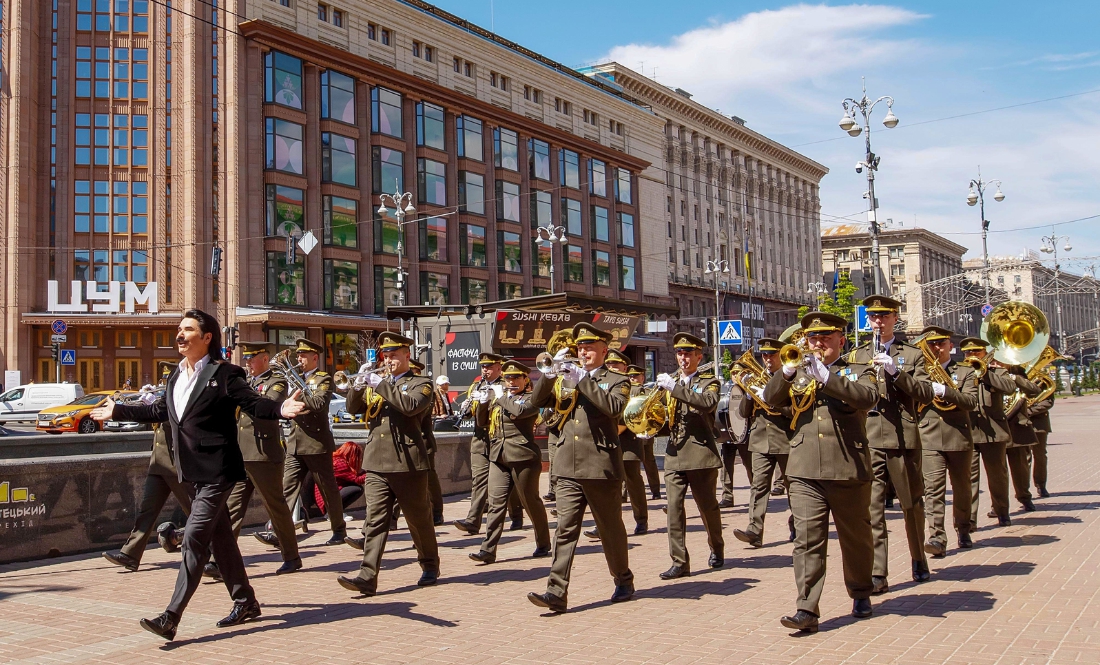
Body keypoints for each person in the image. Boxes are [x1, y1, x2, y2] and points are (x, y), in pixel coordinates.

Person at [90, 309, 303, 641]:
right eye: (179, 329)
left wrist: (280, 409)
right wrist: (118, 409)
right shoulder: (176, 376)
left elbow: (253, 403)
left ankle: (170, 617)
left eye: (187, 329)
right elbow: (159, 411)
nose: (180, 334)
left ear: (207, 338)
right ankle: (245, 602)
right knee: (222, 540)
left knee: (193, 540)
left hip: (219, 472)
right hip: (190, 473)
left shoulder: (225, 374)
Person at [765, 311, 878, 633]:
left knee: (855, 539)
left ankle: (860, 591)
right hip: (803, 467)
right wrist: (785, 373)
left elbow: (868, 398)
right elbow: (771, 401)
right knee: (807, 540)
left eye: (826, 338)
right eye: (813, 338)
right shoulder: (798, 372)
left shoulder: (857, 370)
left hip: (847, 467)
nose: (818, 343)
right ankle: (806, 608)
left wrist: (829, 379)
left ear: (840, 340)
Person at [526, 322, 635, 613]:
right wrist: (548, 376)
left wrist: (583, 380)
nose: (583, 351)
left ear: (604, 349)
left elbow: (613, 408)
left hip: (600, 465)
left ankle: (623, 578)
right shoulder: (564, 376)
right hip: (567, 466)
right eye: (580, 347)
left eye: (589, 347)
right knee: (565, 530)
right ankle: (556, 592)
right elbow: (537, 402)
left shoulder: (616, 380)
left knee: (610, 529)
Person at [336, 332, 440, 595]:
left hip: (407, 463)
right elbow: (352, 409)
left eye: (394, 355)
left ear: (407, 355)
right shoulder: (379, 383)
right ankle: (367, 576)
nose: (389, 360)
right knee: (375, 520)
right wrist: (359, 385)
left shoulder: (421, 383)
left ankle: (429, 563)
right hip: (377, 461)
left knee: (418, 520)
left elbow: (409, 406)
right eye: (386, 355)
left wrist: (380, 384)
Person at [848, 295, 935, 592]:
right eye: (873, 317)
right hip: (870, 437)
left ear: (895, 318)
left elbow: (925, 393)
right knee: (872, 509)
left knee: (911, 504)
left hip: (902, 438)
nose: (878, 322)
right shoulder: (857, 355)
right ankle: (878, 572)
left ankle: (918, 557)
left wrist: (896, 373)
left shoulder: (911, 355)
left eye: (884, 316)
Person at [222, 341, 301, 576]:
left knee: (276, 507)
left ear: (265, 359)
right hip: (242, 453)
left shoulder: (277, 382)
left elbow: (268, 406)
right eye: (246, 358)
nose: (247, 362)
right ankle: (221, 560)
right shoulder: (246, 383)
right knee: (231, 509)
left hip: (264, 453)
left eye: (252, 358)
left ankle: (291, 556)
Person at [102, 381, 193, 571]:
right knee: (147, 510)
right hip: (159, 462)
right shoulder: (166, 397)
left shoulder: (182, 398)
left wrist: (138, 408)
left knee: (195, 511)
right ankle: (130, 554)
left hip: (175, 464)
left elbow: (167, 416)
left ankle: (215, 555)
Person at [468, 360, 552, 563]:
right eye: (508, 378)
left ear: (525, 380)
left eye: (516, 378)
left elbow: (521, 412)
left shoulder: (531, 398)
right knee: (496, 503)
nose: (511, 382)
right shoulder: (500, 397)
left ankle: (543, 542)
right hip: (499, 456)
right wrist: (483, 402)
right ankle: (488, 549)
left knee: (530, 501)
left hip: (523, 457)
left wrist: (499, 396)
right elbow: (481, 422)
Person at [655, 332, 724, 580]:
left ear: (698, 356)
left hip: (700, 453)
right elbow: (663, 416)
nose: (683, 358)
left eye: (688, 353)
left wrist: (676, 389)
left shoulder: (709, 382)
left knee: (707, 507)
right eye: (679, 353)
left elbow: (706, 403)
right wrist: (648, 428)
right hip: (674, 453)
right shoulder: (669, 381)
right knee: (673, 509)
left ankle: (717, 546)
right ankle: (679, 561)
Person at [915, 326, 979, 557]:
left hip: (958, 437)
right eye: (931, 344)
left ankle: (963, 528)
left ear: (950, 345)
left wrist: (944, 390)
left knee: (962, 488)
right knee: (933, 489)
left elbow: (971, 402)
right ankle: (937, 536)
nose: (936, 348)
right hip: (930, 436)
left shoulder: (965, 372)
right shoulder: (919, 372)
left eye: (941, 343)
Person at [280, 338, 346, 545]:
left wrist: (296, 398)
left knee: (327, 489)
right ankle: (279, 531)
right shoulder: (295, 379)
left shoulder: (323, 379)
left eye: (303, 355)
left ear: (314, 357)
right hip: (295, 443)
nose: (298, 359)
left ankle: (338, 529)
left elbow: (318, 403)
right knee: (287, 488)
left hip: (316, 443)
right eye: (297, 355)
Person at [733, 337, 795, 548]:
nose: (767, 359)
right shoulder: (756, 378)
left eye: (772, 355)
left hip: (785, 439)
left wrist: (773, 403)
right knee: (758, 487)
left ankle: (796, 525)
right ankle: (754, 530)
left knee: (792, 487)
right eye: (764, 355)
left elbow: (796, 410)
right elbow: (742, 413)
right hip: (760, 441)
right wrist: (750, 395)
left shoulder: (790, 378)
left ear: (781, 356)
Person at [453, 353, 522, 533]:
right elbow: (470, 415)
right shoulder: (476, 385)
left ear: (499, 368)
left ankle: (516, 515)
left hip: (498, 438)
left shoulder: (504, 386)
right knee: (479, 481)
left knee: (509, 481)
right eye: (483, 367)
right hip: (479, 440)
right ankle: (473, 521)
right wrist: (466, 408)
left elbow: (506, 408)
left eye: (489, 367)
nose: (485, 370)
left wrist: (488, 399)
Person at [584, 349, 648, 539]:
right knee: (606, 487)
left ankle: (641, 519)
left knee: (633, 482)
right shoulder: (594, 382)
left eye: (616, 365)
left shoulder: (632, 387)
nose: (611, 367)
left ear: (624, 367)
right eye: (609, 364)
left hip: (626, 442)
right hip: (606, 442)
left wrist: (614, 430)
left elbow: (631, 415)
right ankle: (602, 524)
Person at [961, 337, 1019, 528]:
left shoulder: (997, 371)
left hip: (993, 431)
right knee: (968, 477)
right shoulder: (958, 372)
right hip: (968, 431)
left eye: (976, 351)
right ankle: (969, 519)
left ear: (985, 353)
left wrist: (985, 373)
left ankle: (1002, 511)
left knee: (997, 475)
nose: (972, 355)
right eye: (968, 352)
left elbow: (1010, 388)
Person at [1005, 370, 1042, 512]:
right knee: (997, 472)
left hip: (1017, 429)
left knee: (1020, 468)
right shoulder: (985, 372)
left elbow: (1034, 390)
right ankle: (998, 505)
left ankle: (1024, 497)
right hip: (996, 428)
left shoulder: (1017, 372)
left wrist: (1015, 378)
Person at [629, 366, 663, 500]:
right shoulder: (624, 390)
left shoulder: (648, 392)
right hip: (629, 432)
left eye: (636, 376)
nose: (633, 378)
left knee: (649, 462)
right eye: (631, 376)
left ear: (642, 378)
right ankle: (624, 494)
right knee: (630, 464)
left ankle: (655, 491)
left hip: (644, 431)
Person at [316, 442, 366, 516]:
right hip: (326, 499)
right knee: (357, 489)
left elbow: (351, 477)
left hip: (324, 495)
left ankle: (334, 512)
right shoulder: (340, 464)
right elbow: (357, 480)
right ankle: (333, 513)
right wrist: (372, 473)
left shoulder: (336, 460)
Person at [1029, 393, 1055, 498]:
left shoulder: (1042, 382)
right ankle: (1022, 490)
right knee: (1022, 459)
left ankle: (1041, 484)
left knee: (1040, 456)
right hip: (1019, 424)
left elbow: (1048, 402)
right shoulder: (1014, 378)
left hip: (1039, 424)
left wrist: (1028, 411)